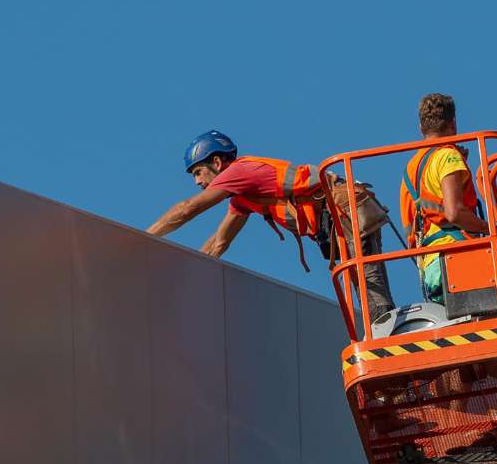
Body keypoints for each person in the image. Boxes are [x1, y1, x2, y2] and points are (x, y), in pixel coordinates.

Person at [147, 131, 393, 322]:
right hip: (340, 218)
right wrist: (190, 279)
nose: (197, 181)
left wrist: (144, 239)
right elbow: (218, 242)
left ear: (217, 162)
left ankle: (388, 340)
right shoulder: (243, 196)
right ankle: (385, 336)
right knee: (365, 287)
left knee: (370, 290)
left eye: (199, 172)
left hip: (346, 211)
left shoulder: (239, 172)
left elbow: (188, 208)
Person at [399, 93, 486, 302]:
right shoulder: (448, 156)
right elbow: (454, 213)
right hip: (457, 262)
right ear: (453, 124)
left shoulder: (411, 169)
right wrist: (492, 229)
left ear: (421, 128)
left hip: (431, 268)